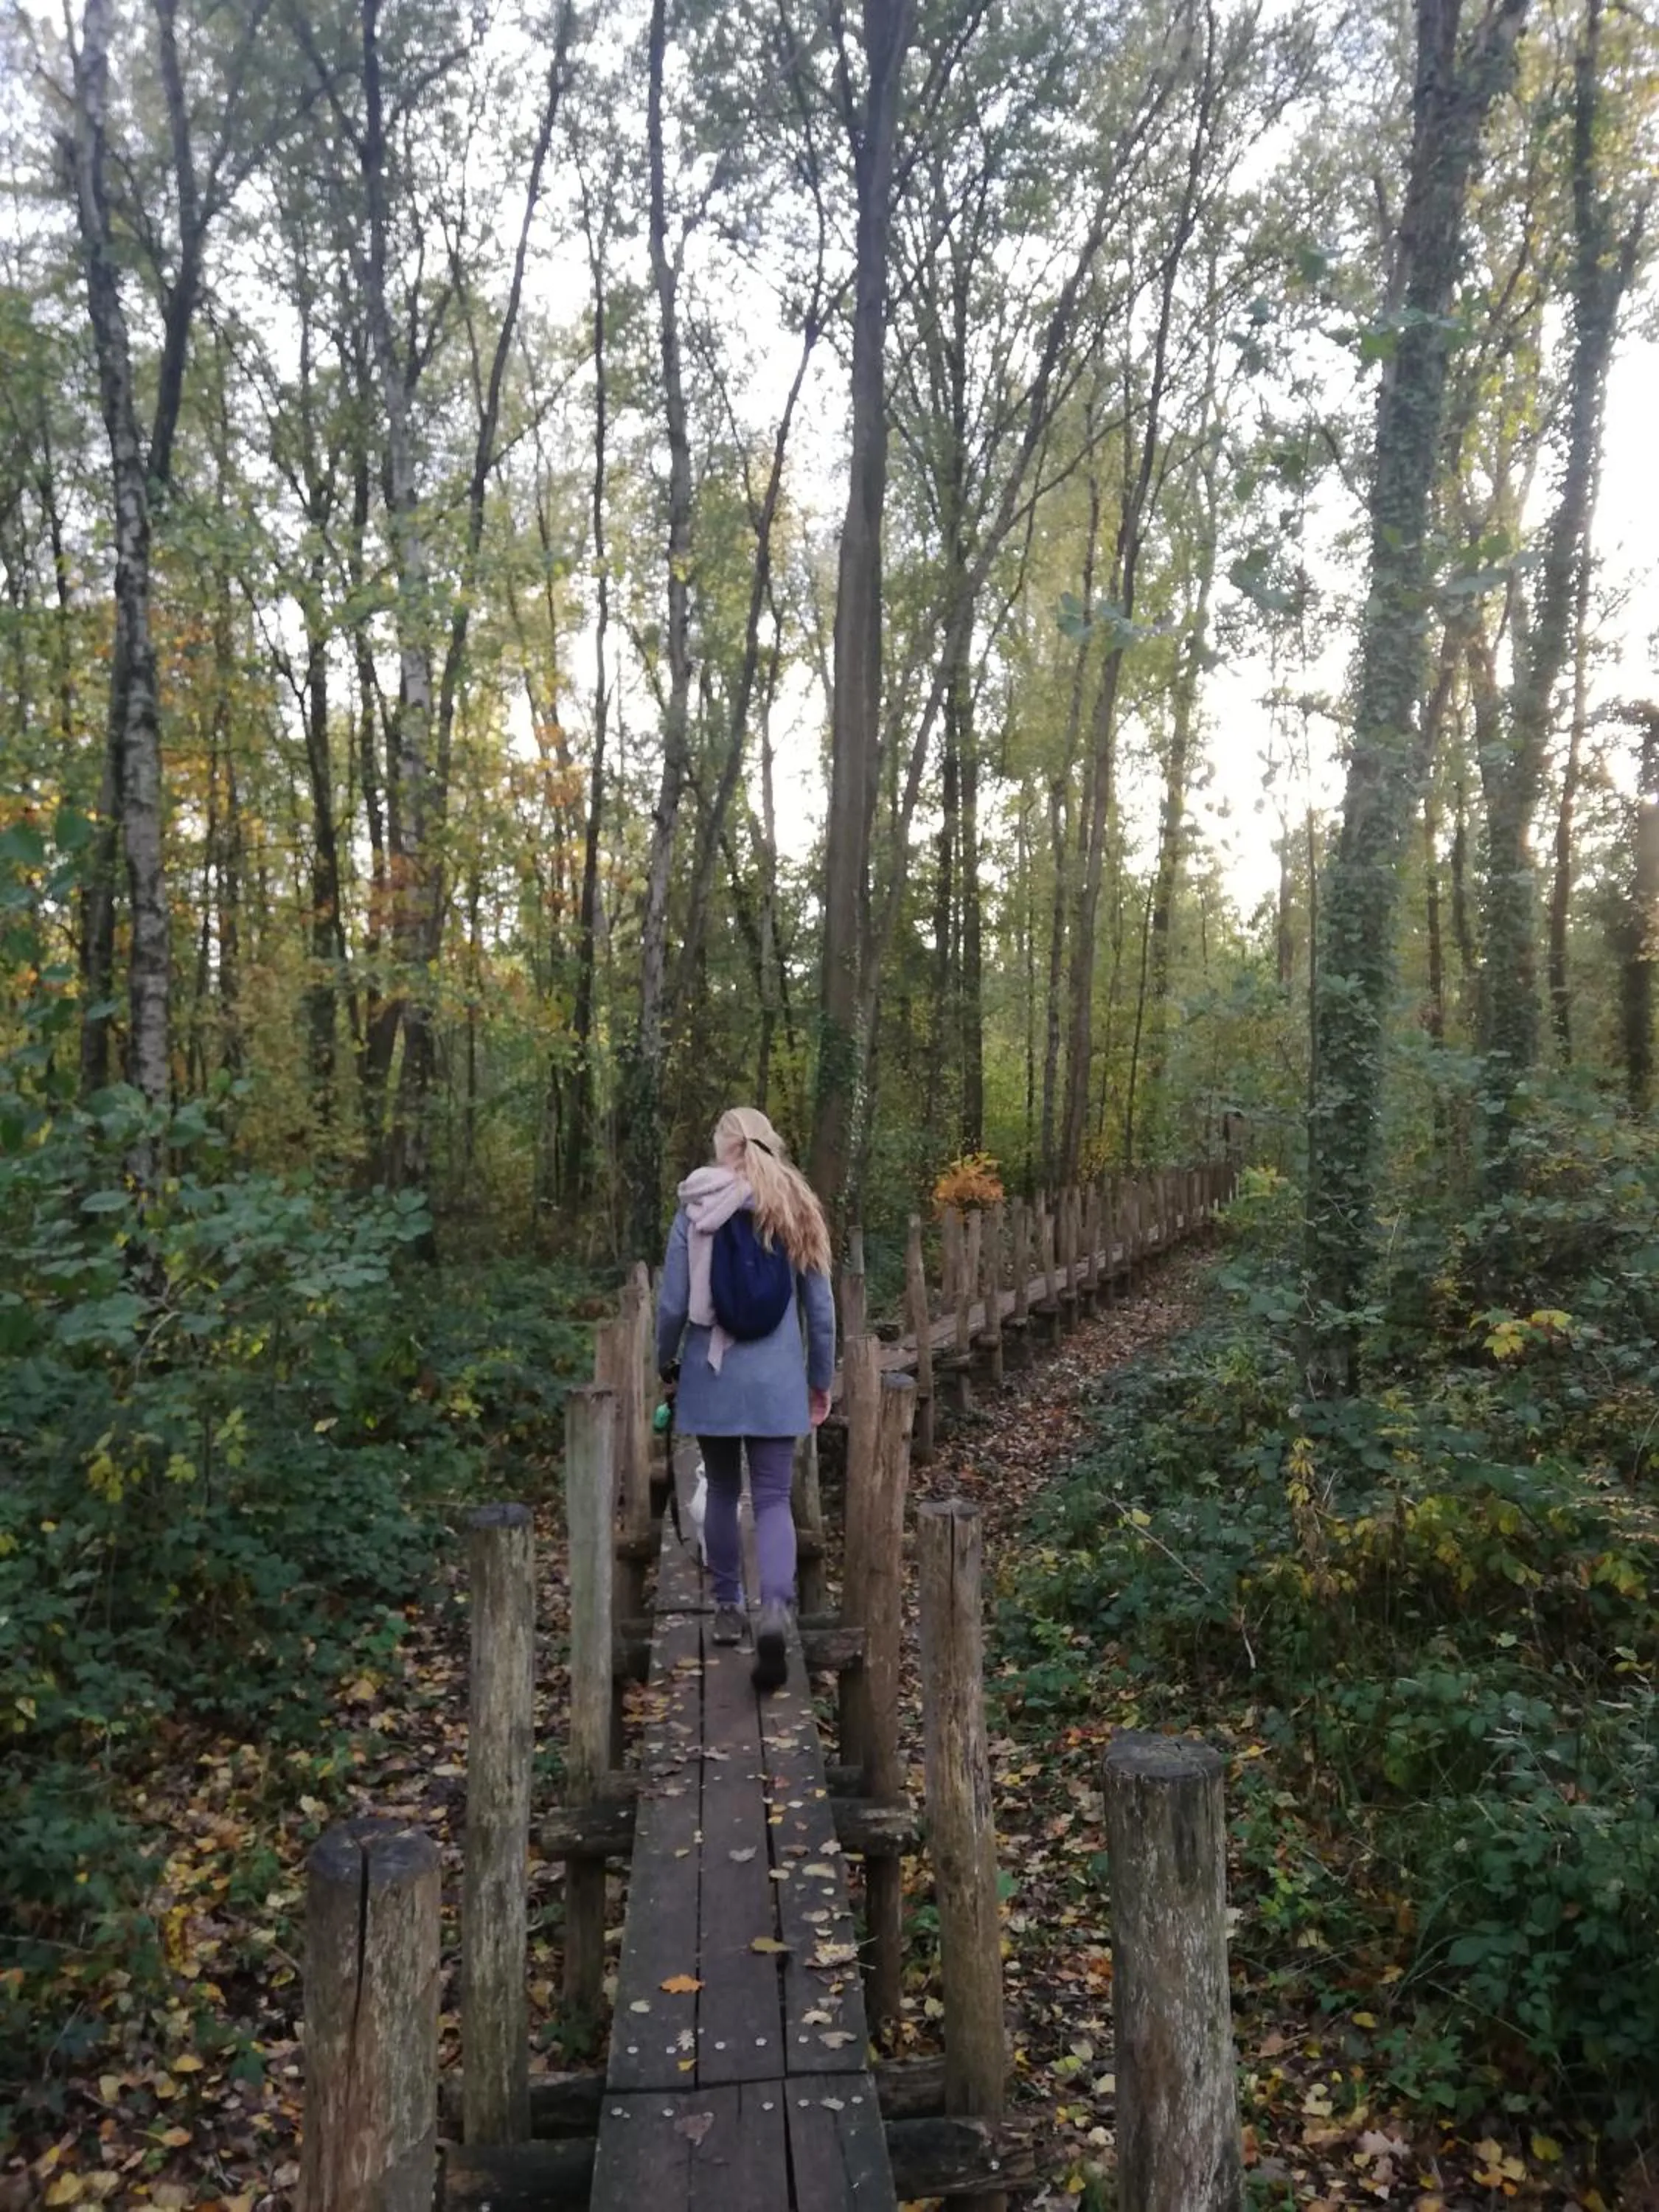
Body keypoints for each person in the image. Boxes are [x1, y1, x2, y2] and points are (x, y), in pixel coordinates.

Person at [655, 1106, 835, 1691]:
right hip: (776, 1377)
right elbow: (822, 1311)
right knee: (775, 1498)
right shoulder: (797, 1206)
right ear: (769, 1143)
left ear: (720, 1146)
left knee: (725, 1489)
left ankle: (729, 1607)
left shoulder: (696, 1204)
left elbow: (674, 1305)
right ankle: (776, 1612)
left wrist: (665, 1361)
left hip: (714, 1372)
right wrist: (819, 1379)